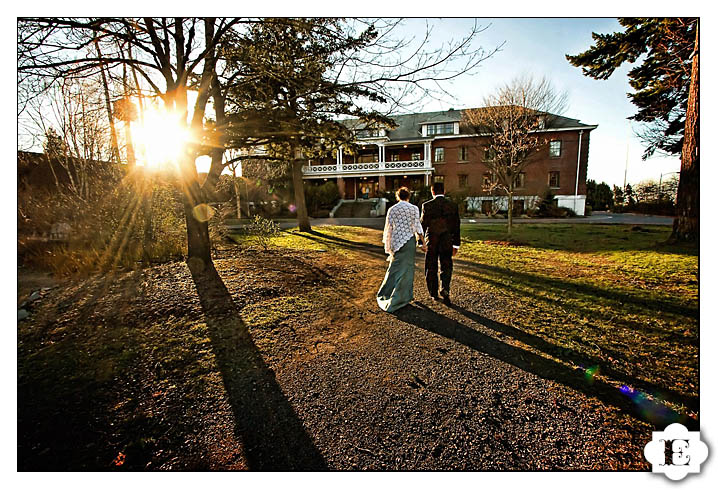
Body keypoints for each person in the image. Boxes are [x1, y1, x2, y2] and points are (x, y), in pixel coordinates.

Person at [377, 187, 426, 312]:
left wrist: (389, 245)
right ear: (408, 196)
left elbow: (388, 229)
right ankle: (402, 297)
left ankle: (389, 293)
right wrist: (423, 242)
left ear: (398, 197)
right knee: (407, 270)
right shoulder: (414, 208)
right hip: (408, 241)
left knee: (394, 269)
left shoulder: (392, 209)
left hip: (396, 241)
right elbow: (417, 226)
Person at [420, 181, 460, 305]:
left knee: (431, 266)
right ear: (444, 191)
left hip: (432, 240)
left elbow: (422, 225)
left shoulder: (427, 206)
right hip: (447, 241)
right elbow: (456, 226)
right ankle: (445, 288)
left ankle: (433, 292)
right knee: (446, 266)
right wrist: (456, 244)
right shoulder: (452, 205)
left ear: (432, 192)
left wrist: (421, 243)